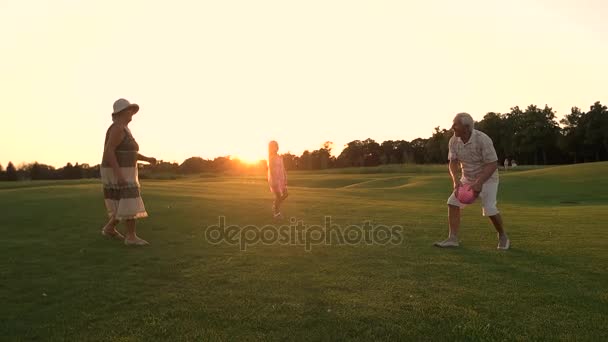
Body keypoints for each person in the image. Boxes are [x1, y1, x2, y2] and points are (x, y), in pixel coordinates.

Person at [434, 112, 510, 250]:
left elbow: (492, 164)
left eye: (455, 124)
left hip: (488, 178)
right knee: (452, 203)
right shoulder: (453, 140)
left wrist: (480, 182)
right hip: (467, 178)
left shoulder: (483, 139)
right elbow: (453, 162)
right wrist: (456, 181)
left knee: (489, 209)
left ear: (466, 127)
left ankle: (503, 236)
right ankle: (453, 239)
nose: (452, 127)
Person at [100, 98, 157, 246]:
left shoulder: (124, 128)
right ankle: (131, 237)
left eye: (132, 109)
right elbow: (109, 152)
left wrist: (147, 159)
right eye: (128, 110)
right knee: (129, 199)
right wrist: (119, 175)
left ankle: (109, 228)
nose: (131, 112)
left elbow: (129, 152)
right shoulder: (117, 128)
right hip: (118, 170)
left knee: (123, 202)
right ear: (120, 113)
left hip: (124, 169)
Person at [267, 140, 288, 218]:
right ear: (270, 148)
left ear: (277, 147)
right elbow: (271, 170)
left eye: (275, 146)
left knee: (286, 194)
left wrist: (285, 177)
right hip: (275, 179)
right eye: (272, 147)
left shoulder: (280, 157)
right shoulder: (271, 158)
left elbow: (283, 168)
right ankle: (276, 213)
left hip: (281, 179)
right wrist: (274, 182)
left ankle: (275, 205)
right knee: (279, 196)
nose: (274, 148)